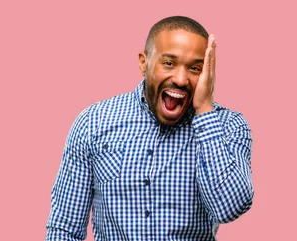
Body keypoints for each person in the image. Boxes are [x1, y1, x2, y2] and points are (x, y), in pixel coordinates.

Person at [45, 16, 254, 241]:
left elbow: (229, 208)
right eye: (169, 63)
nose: (181, 79)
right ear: (144, 63)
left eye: (195, 68)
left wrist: (204, 108)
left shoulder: (228, 126)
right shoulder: (93, 122)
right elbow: (64, 229)